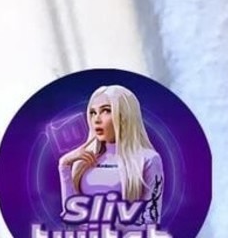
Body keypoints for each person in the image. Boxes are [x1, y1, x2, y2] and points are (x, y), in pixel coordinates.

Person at [57, 85, 164, 229]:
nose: (97, 119)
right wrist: (64, 165)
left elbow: (151, 221)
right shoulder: (84, 160)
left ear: (125, 115)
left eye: (106, 110)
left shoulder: (148, 159)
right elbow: (71, 218)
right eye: (93, 113)